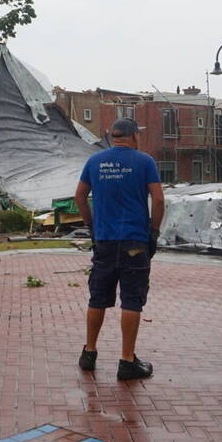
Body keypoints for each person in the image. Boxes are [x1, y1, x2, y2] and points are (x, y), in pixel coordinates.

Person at [74, 117, 164, 381]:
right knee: (132, 299)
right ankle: (127, 360)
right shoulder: (144, 161)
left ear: (113, 136)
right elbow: (158, 199)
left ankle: (89, 353)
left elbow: (79, 195)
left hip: (104, 240)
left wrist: (91, 225)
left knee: (97, 296)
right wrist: (154, 232)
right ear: (134, 136)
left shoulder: (94, 162)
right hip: (134, 241)